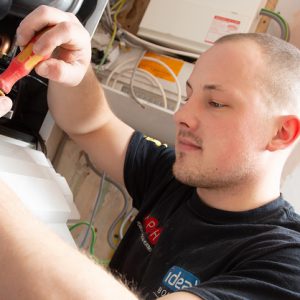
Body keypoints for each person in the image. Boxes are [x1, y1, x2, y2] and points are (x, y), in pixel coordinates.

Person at [0, 4, 299, 300]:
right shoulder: (175, 176)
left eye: (215, 103)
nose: (181, 115)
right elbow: (91, 124)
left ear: (281, 133)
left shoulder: (285, 264)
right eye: (189, 95)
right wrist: (74, 67)